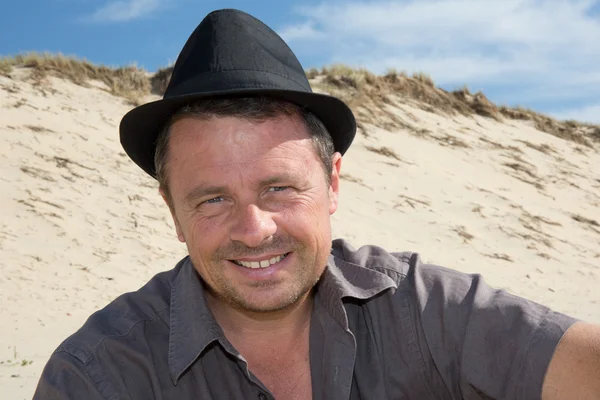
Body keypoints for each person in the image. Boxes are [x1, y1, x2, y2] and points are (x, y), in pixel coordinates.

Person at [33, 8, 599, 400]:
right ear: (171, 210)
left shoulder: (423, 313)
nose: (253, 230)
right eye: (212, 198)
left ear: (332, 183)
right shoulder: (101, 373)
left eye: (278, 188)